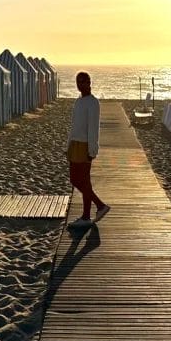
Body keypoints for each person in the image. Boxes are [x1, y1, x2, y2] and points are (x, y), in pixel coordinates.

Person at [66, 71, 110, 227]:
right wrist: (68, 145)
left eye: (83, 81)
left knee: (84, 181)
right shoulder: (78, 102)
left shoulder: (93, 103)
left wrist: (92, 150)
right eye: (78, 81)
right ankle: (97, 207)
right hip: (74, 144)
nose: (80, 84)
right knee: (75, 180)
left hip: (85, 145)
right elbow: (74, 126)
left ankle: (90, 213)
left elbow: (93, 129)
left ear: (89, 82)